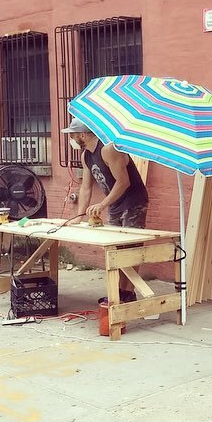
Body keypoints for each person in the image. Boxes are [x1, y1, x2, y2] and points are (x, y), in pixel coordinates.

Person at [61, 117, 149, 300]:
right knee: (116, 249)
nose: (71, 139)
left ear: (83, 135)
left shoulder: (108, 149)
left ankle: (128, 293)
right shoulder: (86, 156)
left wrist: (102, 204)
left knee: (131, 247)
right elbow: (86, 187)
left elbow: (123, 182)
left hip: (133, 202)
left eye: (73, 135)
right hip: (115, 203)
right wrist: (79, 215)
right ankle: (118, 293)